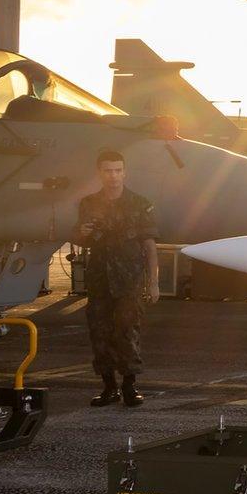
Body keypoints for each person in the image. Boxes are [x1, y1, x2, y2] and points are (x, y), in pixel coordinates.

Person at [75, 149, 158, 407]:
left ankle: (130, 386)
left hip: (129, 280)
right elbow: (81, 239)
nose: (113, 176)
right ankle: (109, 387)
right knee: (100, 333)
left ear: (125, 173)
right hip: (99, 280)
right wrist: (82, 232)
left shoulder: (139, 203)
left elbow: (149, 245)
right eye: (108, 171)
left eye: (118, 170)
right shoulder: (88, 203)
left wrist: (154, 282)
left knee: (128, 332)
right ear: (99, 173)